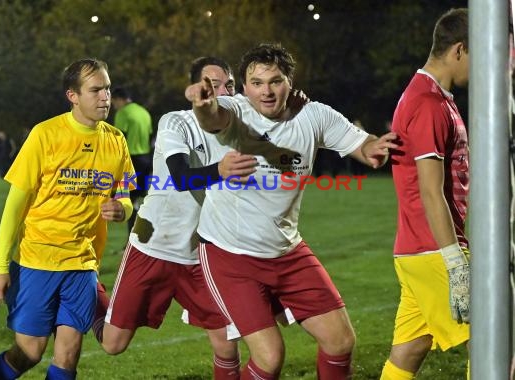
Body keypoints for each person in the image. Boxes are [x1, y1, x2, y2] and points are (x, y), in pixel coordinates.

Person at [185, 43, 397, 379]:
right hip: (230, 256)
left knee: (340, 341)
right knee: (269, 357)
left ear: (290, 82)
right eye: (257, 83)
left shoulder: (313, 115)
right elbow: (212, 117)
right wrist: (203, 104)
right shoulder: (234, 110)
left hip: (286, 250)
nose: (266, 91)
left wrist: (374, 147)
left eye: (275, 81)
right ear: (243, 88)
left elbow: (362, 142)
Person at [92, 56, 259, 379]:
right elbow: (181, 177)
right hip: (152, 244)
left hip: (202, 254)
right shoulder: (175, 121)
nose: (223, 90)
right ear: (195, 89)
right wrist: (222, 170)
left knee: (226, 342)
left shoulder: (240, 125)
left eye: (229, 84)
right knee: (113, 344)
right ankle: (91, 292)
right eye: (213, 84)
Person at [0, 58, 135, 380]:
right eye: (95, 90)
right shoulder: (45, 135)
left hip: (82, 265)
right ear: (73, 96)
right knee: (29, 352)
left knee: (68, 355)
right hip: (38, 260)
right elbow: (14, 206)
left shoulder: (116, 140)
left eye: (106, 88)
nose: (105, 96)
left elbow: (126, 195)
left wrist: (123, 209)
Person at [380, 8, 470, 380]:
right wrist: (455, 262)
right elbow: (431, 191)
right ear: (460, 50)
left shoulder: (433, 96)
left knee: (410, 349)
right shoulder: (429, 104)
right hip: (434, 249)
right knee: (498, 341)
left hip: (417, 248)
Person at [111, 87, 154, 235]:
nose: (114, 106)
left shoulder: (123, 113)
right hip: (146, 159)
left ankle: (132, 241)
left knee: (126, 200)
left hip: (131, 161)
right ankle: (137, 239)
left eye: (114, 102)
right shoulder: (144, 112)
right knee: (137, 201)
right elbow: (149, 135)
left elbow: (119, 137)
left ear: (120, 100)